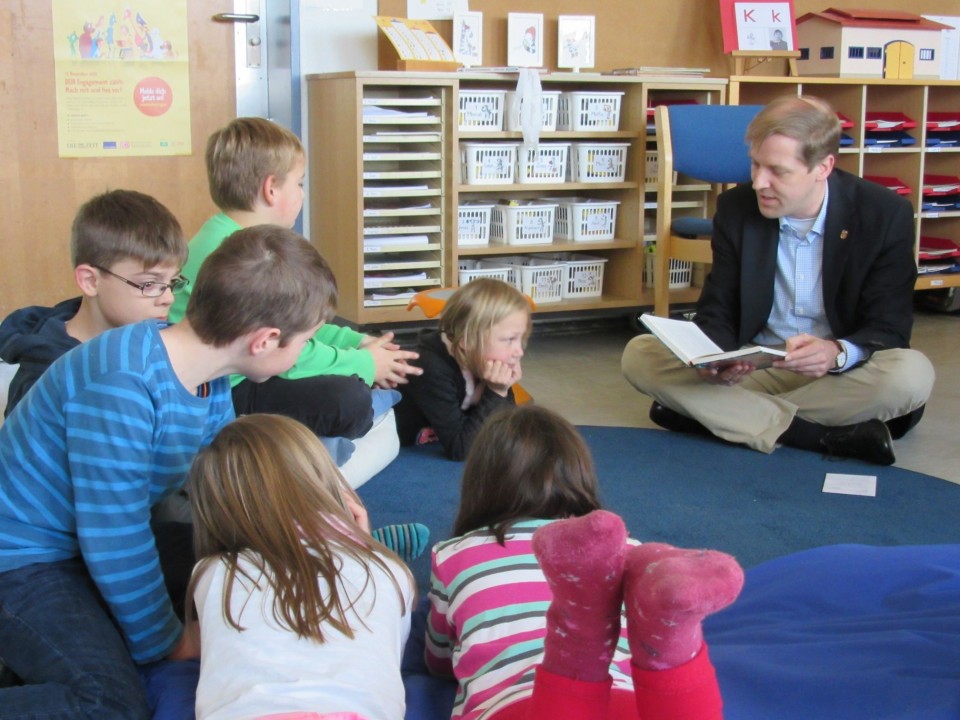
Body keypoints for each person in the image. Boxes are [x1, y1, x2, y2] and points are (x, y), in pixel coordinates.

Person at [0, 225, 338, 719]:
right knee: (110, 703)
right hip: (25, 559)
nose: (305, 352)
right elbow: (114, 538)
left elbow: (226, 491)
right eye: (305, 341)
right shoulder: (124, 384)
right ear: (265, 340)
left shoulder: (211, 377)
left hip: (87, 541)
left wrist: (317, 529)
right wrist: (168, 641)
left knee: (247, 572)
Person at [622, 95, 935, 466]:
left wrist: (836, 352)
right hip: (758, 370)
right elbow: (718, 311)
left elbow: (890, 327)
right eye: (755, 165)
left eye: (777, 171)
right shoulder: (736, 210)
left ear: (823, 167)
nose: (758, 183)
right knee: (640, 355)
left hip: (841, 375)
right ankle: (819, 435)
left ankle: (718, 418)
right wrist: (716, 360)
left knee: (911, 375)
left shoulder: (883, 213)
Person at [426, 404, 744, 720]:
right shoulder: (625, 551)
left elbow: (437, 661)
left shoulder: (453, 553)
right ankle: (670, 652)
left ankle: (580, 637)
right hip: (626, 701)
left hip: (515, 706)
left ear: (480, 485)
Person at [168, 116, 421, 441]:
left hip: (258, 361)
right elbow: (280, 351)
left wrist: (356, 343)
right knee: (347, 398)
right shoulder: (241, 256)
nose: (303, 194)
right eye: (299, 183)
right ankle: (375, 398)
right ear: (271, 189)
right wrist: (364, 363)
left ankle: (374, 383)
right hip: (232, 383)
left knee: (349, 332)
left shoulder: (233, 235)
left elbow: (292, 326)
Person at [187, 413, 416, 719]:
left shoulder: (211, 573)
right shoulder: (391, 571)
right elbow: (386, 647)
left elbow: (200, 648)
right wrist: (362, 546)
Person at [0, 188, 187, 416]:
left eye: (172, 281)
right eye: (148, 284)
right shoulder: (43, 380)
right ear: (90, 281)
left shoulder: (152, 344)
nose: (168, 298)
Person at [395, 278, 530, 461]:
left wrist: (503, 389)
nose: (519, 351)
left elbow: (508, 430)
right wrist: (497, 391)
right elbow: (461, 449)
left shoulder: (482, 357)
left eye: (521, 339)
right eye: (509, 340)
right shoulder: (430, 367)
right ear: (468, 342)